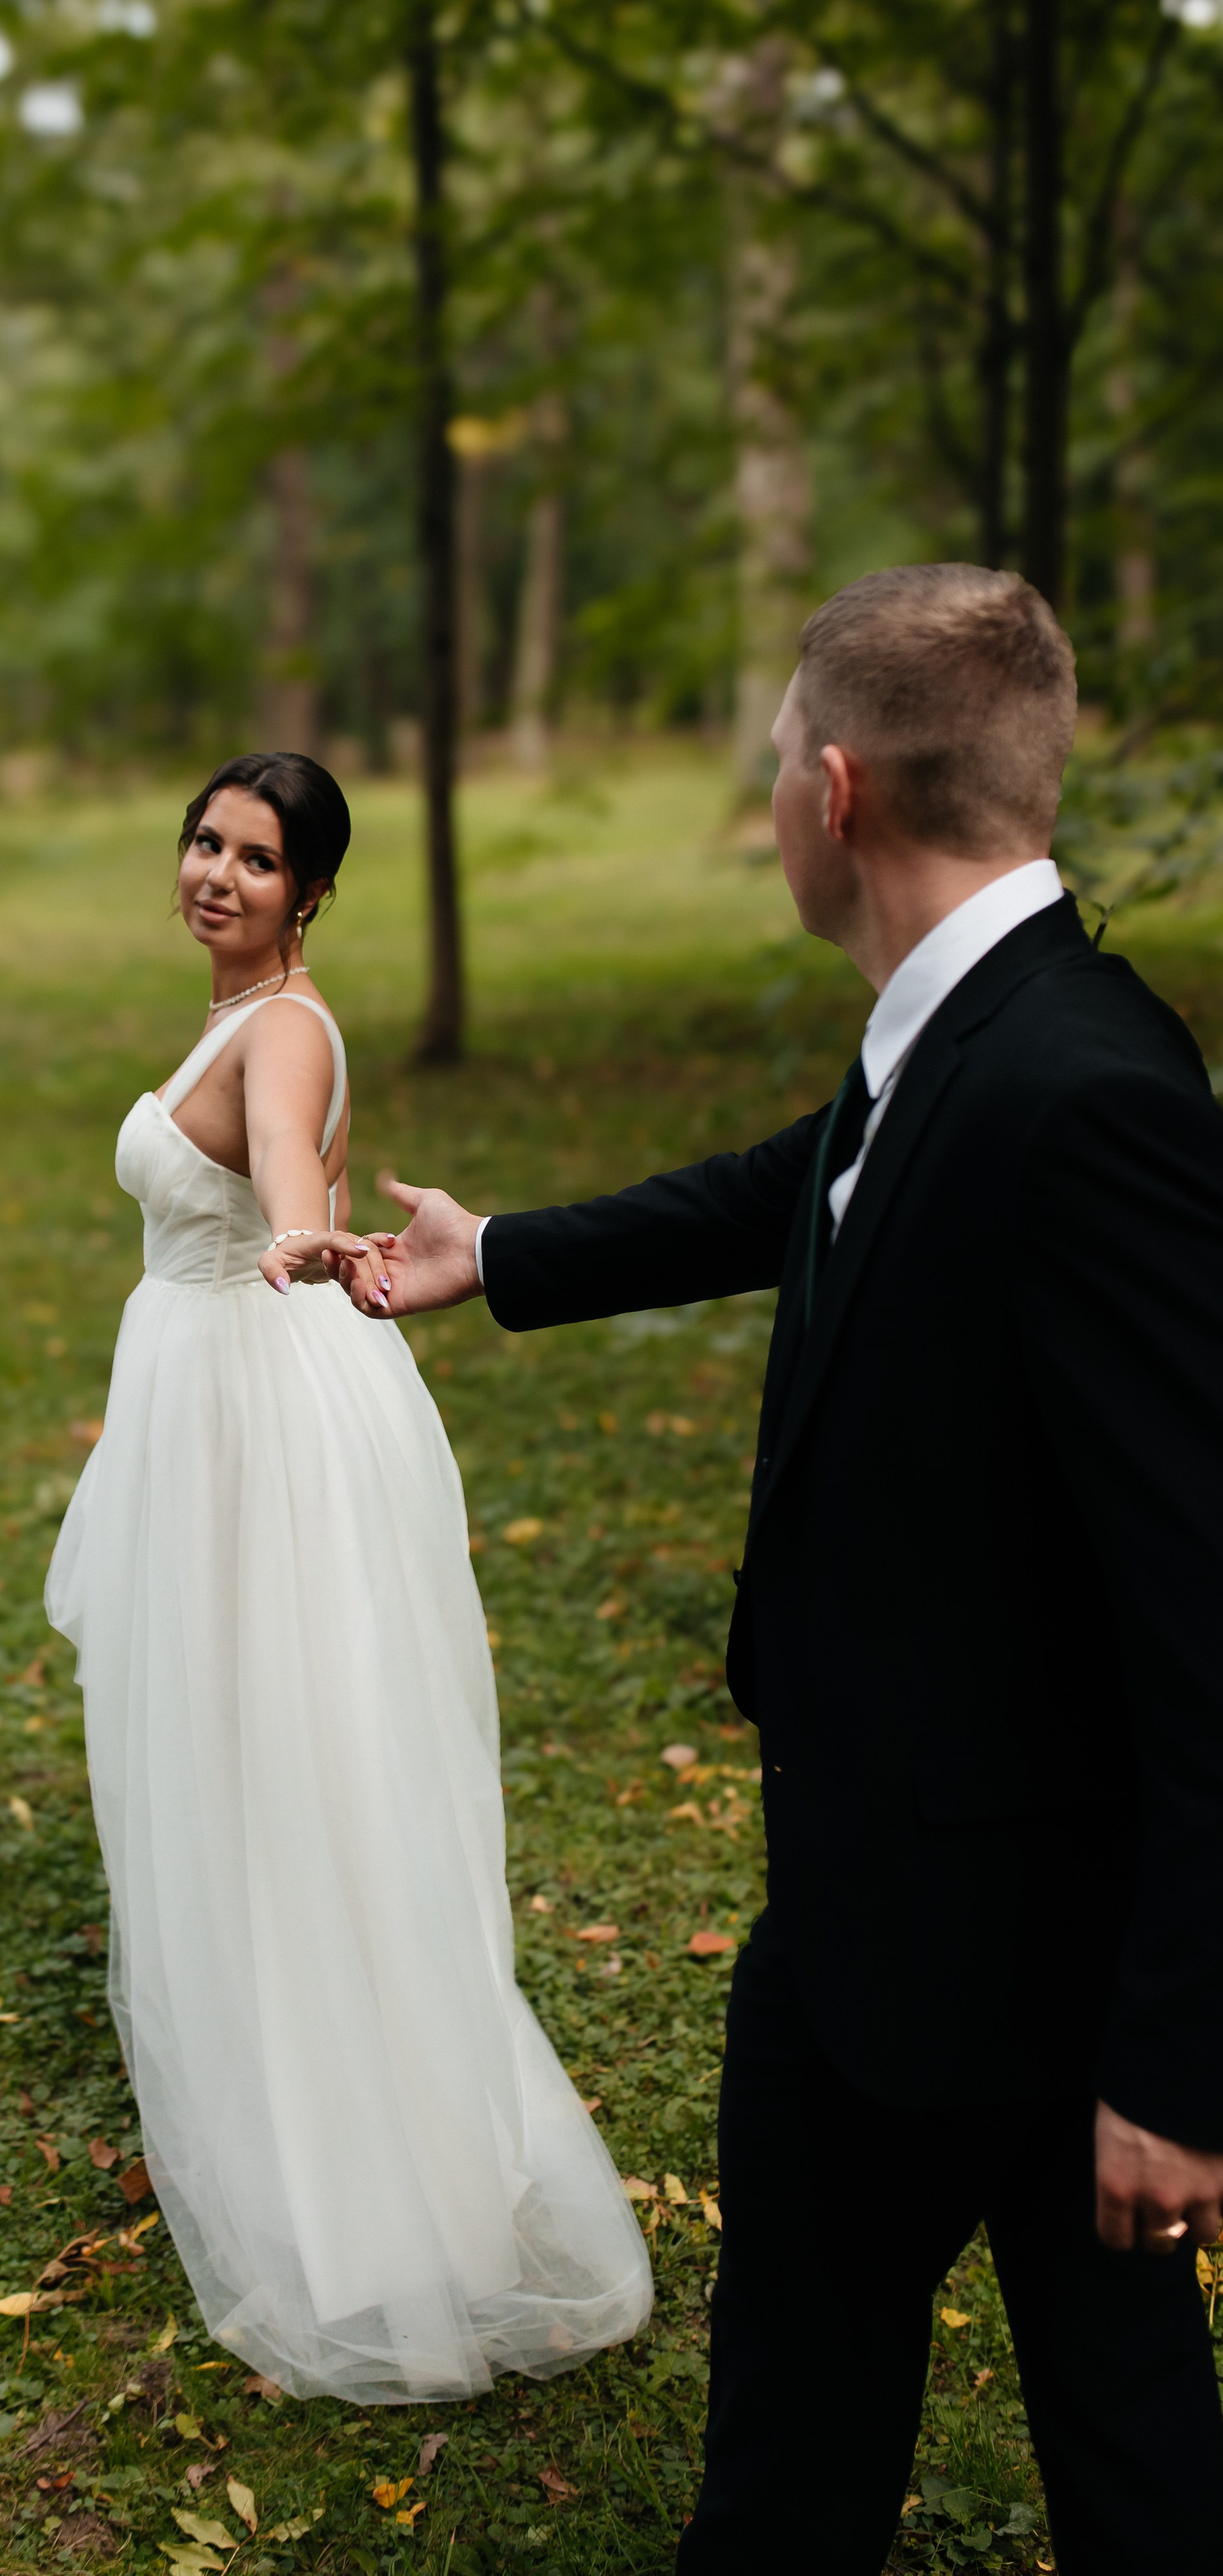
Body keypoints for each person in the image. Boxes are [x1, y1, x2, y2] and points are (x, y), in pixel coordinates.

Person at [330, 568, 1223, 2568]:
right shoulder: (964, 1027)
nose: (766, 805)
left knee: (1124, 2459)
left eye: (768, 770)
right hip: (869, 1896)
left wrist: (1180, 2064)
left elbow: (1206, 1611)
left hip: (1030, 1955)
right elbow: (802, 1186)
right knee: (814, 2423)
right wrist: (506, 1253)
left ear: (833, 793)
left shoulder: (1086, 1092)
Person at [44, 749, 651, 2405]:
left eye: (255, 859)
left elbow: (284, 1174)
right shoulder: (240, 1009)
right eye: (203, 841)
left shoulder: (287, 1030)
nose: (215, 874)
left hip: (250, 1416)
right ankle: (284, 2103)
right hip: (206, 1398)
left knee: (287, 1770)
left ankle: (362, 2170)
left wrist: (304, 1236)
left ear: (307, 892)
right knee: (234, 1763)